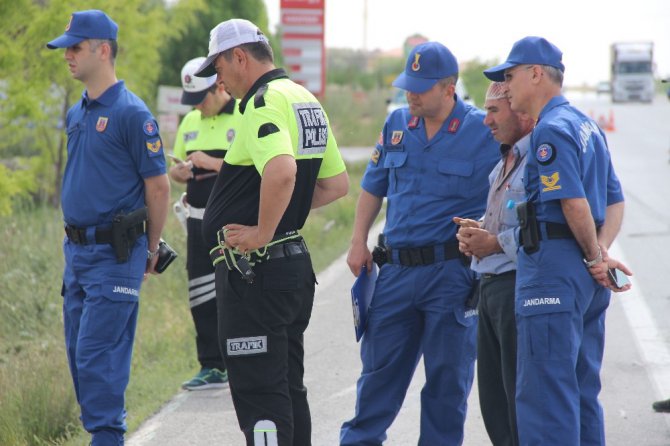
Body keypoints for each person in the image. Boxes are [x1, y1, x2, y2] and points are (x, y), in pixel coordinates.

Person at [193, 18, 349, 446]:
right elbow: (335, 185)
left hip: (255, 275)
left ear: (239, 57)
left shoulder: (261, 102)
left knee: (261, 398)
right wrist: (282, 216)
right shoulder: (304, 98)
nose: (219, 81)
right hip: (290, 269)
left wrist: (263, 231)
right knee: (286, 389)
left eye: (219, 68)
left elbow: (281, 172)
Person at [340, 41, 499, 446]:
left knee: (447, 384)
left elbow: (510, 190)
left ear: (448, 88)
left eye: (421, 87)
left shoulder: (483, 131)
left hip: (451, 277)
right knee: (377, 377)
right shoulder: (396, 124)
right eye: (408, 85)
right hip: (394, 273)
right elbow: (372, 188)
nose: (411, 94)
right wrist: (358, 240)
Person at [484, 36, 631, 445]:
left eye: (510, 76)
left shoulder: (551, 130)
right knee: (581, 394)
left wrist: (591, 256)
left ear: (536, 74)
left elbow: (572, 203)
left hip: (552, 273)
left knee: (546, 401)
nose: (506, 87)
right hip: (583, 280)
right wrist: (600, 255)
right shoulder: (587, 125)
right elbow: (615, 202)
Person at [46, 9, 170, 446]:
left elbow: (158, 187)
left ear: (103, 50)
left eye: (75, 48)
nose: (68, 56)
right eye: (66, 49)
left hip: (115, 255)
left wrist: (151, 250)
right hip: (77, 254)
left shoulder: (132, 114)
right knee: (81, 356)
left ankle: (108, 437)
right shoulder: (78, 113)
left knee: (97, 356)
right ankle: (105, 432)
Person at [455, 81, 534, 446]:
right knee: (493, 404)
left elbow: (550, 233)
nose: (486, 121)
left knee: (520, 406)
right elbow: (512, 221)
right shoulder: (506, 158)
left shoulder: (539, 158)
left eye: (494, 111)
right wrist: (479, 231)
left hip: (517, 288)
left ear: (520, 110)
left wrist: (494, 242)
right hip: (489, 288)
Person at [169, 57, 241, 391]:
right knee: (200, 292)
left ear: (220, 85)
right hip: (197, 221)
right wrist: (179, 172)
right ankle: (212, 365)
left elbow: (252, 166)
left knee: (237, 292)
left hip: (235, 225)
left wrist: (211, 160)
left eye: (202, 97)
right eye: (191, 100)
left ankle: (241, 361)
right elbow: (176, 166)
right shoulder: (191, 122)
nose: (197, 105)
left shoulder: (243, 114)